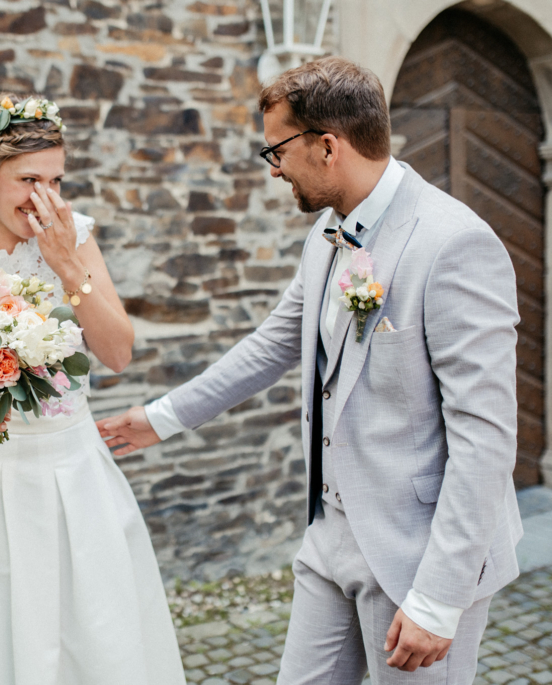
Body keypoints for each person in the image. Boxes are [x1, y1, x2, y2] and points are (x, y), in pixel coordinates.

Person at [96, 57, 523, 685]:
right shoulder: (328, 232)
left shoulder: (454, 244)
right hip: (329, 532)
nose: (273, 170)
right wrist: (161, 418)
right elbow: (273, 344)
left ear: (328, 146)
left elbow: (485, 437)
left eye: (277, 151)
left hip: (418, 550)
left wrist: (438, 596)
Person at [0, 95, 185, 685]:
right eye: (28, 179)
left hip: (75, 469)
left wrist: (64, 264)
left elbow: (118, 352)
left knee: (98, 640)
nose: (43, 197)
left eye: (55, 180)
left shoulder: (71, 239)